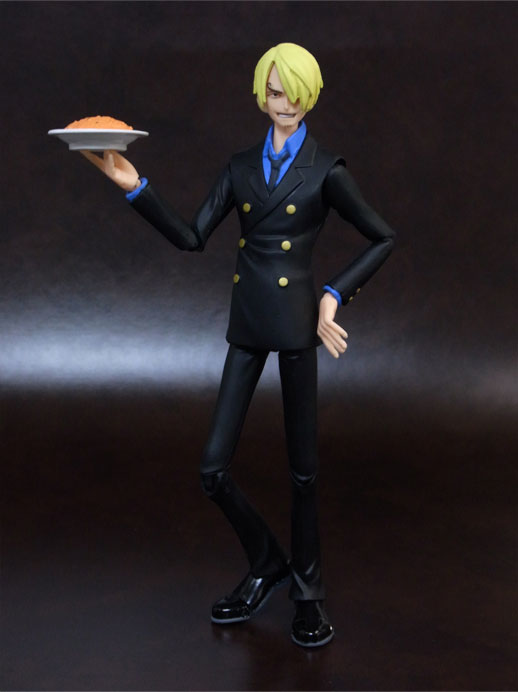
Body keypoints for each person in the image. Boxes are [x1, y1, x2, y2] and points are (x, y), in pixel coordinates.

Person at [81, 42, 395, 648]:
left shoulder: (326, 169)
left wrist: (333, 295)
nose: (286, 104)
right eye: (276, 92)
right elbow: (192, 236)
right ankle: (267, 560)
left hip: (299, 324)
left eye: (296, 93)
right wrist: (134, 185)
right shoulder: (240, 167)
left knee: (303, 472)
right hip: (249, 320)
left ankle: (308, 594)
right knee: (212, 468)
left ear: (310, 96)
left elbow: (382, 236)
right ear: (261, 94)